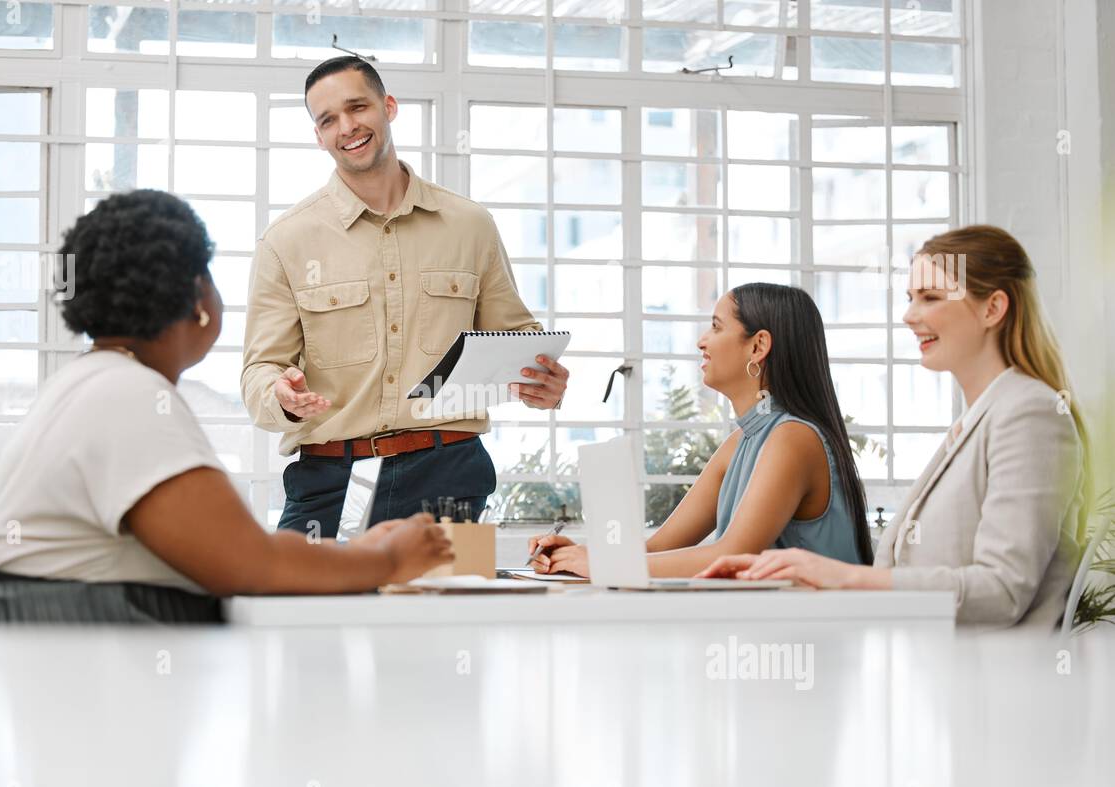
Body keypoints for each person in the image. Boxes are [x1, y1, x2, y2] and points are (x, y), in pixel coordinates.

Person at [0, 190, 452, 623]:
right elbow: (251, 564)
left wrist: (359, 551)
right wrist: (387, 560)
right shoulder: (128, 397)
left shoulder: (85, 384)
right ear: (199, 296)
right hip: (99, 690)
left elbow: (235, 552)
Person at [241, 55, 568, 538]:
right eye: (328, 119)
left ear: (388, 106)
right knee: (303, 612)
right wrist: (281, 396)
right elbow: (259, 371)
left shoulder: (469, 225)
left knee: (438, 612)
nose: (347, 127)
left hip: (449, 472)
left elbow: (515, 337)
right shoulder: (287, 240)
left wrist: (543, 379)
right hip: (331, 477)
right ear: (318, 135)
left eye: (358, 107)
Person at [701, 226, 1088, 629]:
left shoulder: (1030, 414)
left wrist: (846, 577)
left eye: (931, 297)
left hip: (989, 683)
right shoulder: (975, 422)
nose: (909, 315)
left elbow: (1003, 591)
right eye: (910, 298)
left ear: (992, 308)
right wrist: (801, 575)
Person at [530, 283, 874, 579]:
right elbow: (659, 546)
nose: (701, 341)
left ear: (758, 346)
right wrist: (578, 554)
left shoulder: (793, 438)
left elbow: (731, 555)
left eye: (715, 327)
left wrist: (605, 564)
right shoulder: (742, 441)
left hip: (820, 638)